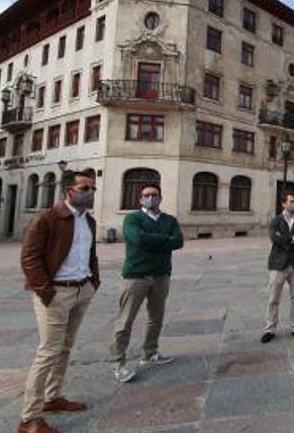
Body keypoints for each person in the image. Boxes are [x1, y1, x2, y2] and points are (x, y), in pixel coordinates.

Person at [17, 168, 99, 433]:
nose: (90, 193)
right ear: (69, 191)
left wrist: (93, 282)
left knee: (65, 347)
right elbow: (29, 258)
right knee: (48, 352)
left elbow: (91, 254)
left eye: (93, 188)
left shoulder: (89, 221)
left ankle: (52, 398)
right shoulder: (47, 218)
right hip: (56, 293)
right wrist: (46, 291)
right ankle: (29, 418)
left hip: (81, 289)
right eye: (85, 188)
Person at [109, 183, 183, 383]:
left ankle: (150, 352)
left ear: (160, 197)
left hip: (161, 275)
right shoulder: (132, 218)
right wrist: (163, 240)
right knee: (125, 320)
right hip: (136, 276)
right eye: (146, 195)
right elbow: (137, 239)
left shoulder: (169, 220)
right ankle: (118, 362)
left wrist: (153, 240)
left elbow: (178, 241)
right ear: (140, 199)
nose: (151, 198)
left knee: (156, 317)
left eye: (154, 195)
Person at [262, 193, 294, 344]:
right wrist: (293, 238)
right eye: (291, 201)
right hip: (278, 264)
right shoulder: (275, 221)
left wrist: (286, 238)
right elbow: (274, 239)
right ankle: (270, 329)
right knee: (273, 298)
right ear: (283, 204)